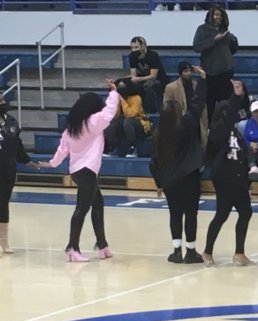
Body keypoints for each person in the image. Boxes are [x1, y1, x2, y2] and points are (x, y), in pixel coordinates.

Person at [36, 81, 119, 262]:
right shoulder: (93, 122)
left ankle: (102, 244)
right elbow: (109, 112)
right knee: (82, 208)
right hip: (88, 170)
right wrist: (114, 92)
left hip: (77, 171)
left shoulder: (71, 129)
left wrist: (52, 164)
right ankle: (72, 247)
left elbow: (62, 150)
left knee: (98, 204)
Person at [150, 66, 207, 265]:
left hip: (170, 181)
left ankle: (176, 251)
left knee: (174, 214)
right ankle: (191, 251)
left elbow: (153, 162)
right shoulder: (186, 125)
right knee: (191, 213)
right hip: (189, 177)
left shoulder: (158, 135)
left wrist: (159, 182)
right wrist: (203, 80)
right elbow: (197, 105)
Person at [202, 80, 254, 267]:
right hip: (224, 177)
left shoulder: (234, 132)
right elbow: (229, 115)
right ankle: (207, 251)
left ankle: (239, 253)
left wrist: (248, 178)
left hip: (237, 178)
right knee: (221, 215)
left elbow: (242, 154)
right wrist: (236, 97)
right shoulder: (217, 131)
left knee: (246, 212)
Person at [0, 95, 34, 255]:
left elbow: (17, 144)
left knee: (3, 203)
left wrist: (26, 160)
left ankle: (3, 241)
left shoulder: (11, 121)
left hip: (8, 168)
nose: (3, 103)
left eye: (2, 100)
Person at [192, 6, 238, 119]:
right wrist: (214, 40)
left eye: (221, 15)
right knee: (210, 102)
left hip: (226, 70)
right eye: (216, 15)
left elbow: (232, 50)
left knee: (226, 102)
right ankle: (209, 125)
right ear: (211, 15)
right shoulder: (202, 29)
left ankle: (225, 123)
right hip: (210, 72)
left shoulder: (224, 30)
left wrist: (233, 40)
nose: (219, 17)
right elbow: (197, 47)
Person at [164, 61, 209, 147]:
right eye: (185, 71)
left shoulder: (196, 85)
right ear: (180, 73)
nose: (189, 73)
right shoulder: (171, 87)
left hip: (197, 123)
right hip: (181, 124)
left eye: (190, 71)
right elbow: (166, 106)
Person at [104, 78, 151, 158]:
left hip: (139, 122)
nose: (121, 89)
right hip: (123, 121)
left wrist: (122, 100)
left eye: (123, 87)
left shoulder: (136, 98)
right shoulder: (118, 97)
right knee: (110, 123)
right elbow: (115, 115)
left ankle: (133, 147)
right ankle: (113, 147)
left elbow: (130, 114)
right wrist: (116, 100)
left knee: (128, 122)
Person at [128, 36, 167, 113]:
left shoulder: (152, 55)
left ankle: (151, 112)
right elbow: (133, 74)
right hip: (142, 80)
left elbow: (153, 76)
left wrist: (138, 79)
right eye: (132, 48)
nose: (134, 50)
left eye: (136, 47)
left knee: (148, 85)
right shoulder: (131, 56)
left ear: (143, 46)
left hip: (158, 80)